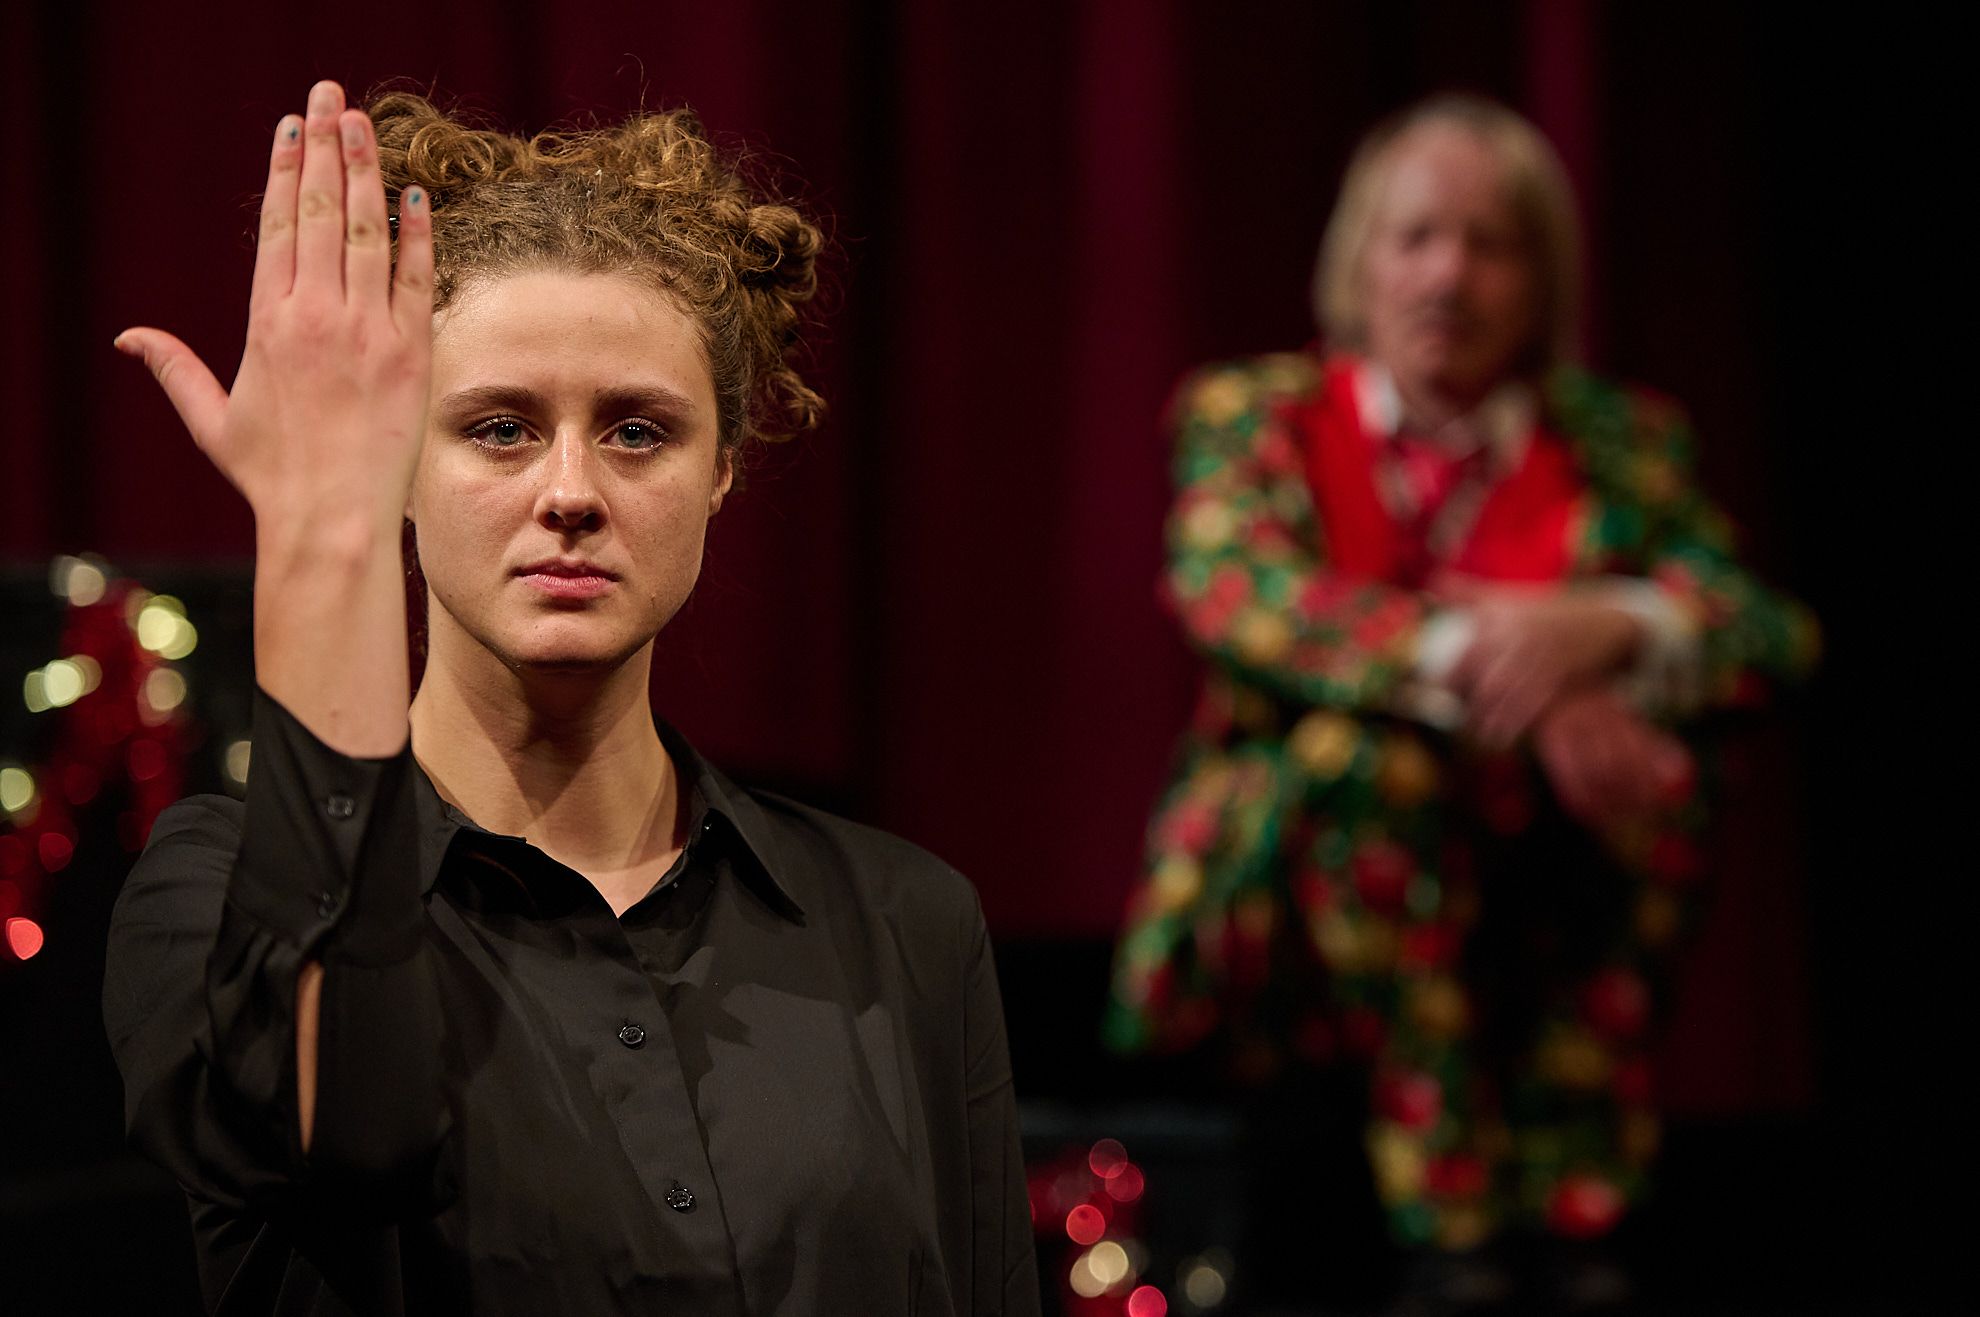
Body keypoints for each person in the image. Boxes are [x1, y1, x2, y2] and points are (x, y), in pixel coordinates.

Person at [102, 80, 1040, 1316]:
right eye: (499, 428)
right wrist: (323, 526)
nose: (570, 492)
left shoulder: (905, 922)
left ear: (723, 471)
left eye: (639, 432)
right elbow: (346, 1147)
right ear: (398, 461)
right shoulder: (215, 893)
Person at [1104, 94, 1816, 1305]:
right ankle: (1449, 1202)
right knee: (1360, 760)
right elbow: (1245, 596)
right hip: (1293, 906)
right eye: (1419, 237)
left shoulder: (1620, 443)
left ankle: (1577, 1168)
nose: (1451, 276)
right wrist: (1521, 675)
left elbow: (1770, 634)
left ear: (1543, 281)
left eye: (1492, 245)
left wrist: (1613, 626)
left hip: (1538, 877)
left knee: (1669, 761)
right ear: (1361, 262)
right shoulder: (1258, 414)